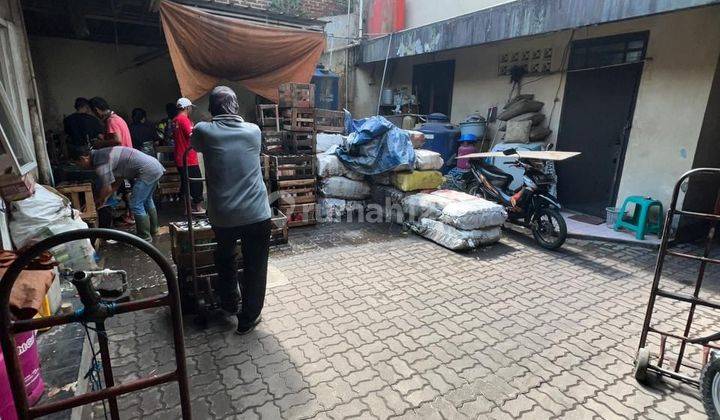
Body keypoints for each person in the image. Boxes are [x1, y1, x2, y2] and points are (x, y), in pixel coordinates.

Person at [190, 86, 271, 335]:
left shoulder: (204, 131)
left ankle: (229, 304)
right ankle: (247, 320)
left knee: (225, 258)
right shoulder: (253, 131)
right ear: (235, 107)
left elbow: (194, 145)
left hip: (224, 216)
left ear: (212, 109)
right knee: (256, 266)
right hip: (257, 213)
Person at [76, 146, 164, 241]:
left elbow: (107, 187)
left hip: (148, 170)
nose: (81, 166)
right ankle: (154, 230)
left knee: (136, 204)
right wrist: (103, 199)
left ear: (83, 158)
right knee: (147, 200)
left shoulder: (100, 163)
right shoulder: (103, 153)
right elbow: (116, 183)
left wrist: (95, 201)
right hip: (154, 166)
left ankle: (144, 237)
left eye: (79, 163)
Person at [174, 98, 204, 214]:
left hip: (179, 156)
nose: (191, 110)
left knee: (185, 183)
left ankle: (187, 208)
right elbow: (192, 136)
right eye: (190, 108)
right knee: (196, 183)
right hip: (189, 157)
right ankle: (198, 207)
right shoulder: (184, 120)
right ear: (187, 108)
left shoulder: (175, 120)